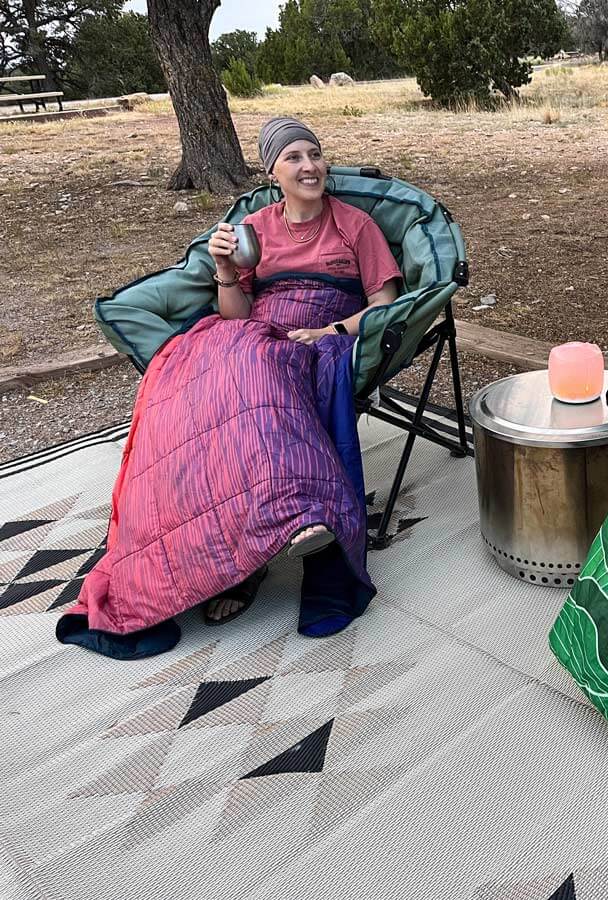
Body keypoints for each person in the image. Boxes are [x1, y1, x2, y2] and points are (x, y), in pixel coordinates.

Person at [56, 117, 402, 658]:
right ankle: (232, 554)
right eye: (293, 158)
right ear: (272, 172)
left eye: (314, 154)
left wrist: (330, 331)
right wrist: (223, 268)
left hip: (320, 333)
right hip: (251, 333)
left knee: (256, 381)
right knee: (192, 392)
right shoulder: (254, 227)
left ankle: (299, 521)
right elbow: (235, 313)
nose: (309, 166)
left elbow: (385, 305)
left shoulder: (354, 226)